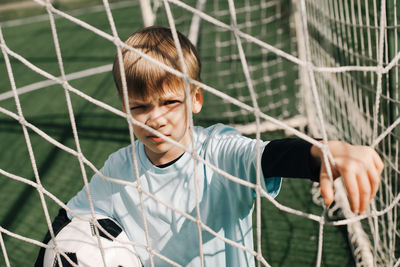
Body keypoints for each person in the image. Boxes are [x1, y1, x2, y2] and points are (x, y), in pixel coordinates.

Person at [35, 26, 384, 266]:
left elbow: (269, 156)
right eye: (140, 107)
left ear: (196, 99)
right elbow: (68, 221)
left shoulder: (218, 151)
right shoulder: (118, 168)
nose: (155, 118)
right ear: (126, 108)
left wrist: (324, 152)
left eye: (169, 103)